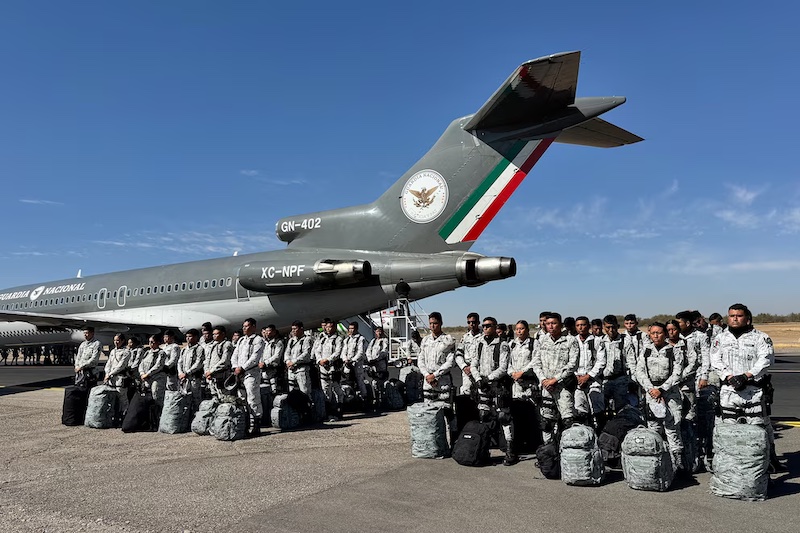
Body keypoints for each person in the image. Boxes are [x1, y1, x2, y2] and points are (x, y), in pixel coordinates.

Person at [710, 303, 783, 472]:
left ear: (747, 319)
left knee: (758, 430)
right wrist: (728, 376)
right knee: (728, 429)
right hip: (729, 391)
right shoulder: (720, 338)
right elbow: (715, 359)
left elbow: (766, 359)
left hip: (753, 391)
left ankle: (766, 466)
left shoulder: (760, 337)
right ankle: (731, 468)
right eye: (731, 316)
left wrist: (746, 375)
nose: (734, 319)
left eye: (739, 316)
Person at [636, 322, 684, 470]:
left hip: (670, 393)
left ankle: (678, 461)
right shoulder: (645, 351)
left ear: (665, 334)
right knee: (654, 427)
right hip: (652, 393)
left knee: (672, 427)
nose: (656, 336)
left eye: (659, 333)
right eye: (653, 333)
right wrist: (651, 389)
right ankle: (655, 461)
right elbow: (640, 371)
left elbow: (677, 373)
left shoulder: (674, 351)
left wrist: (662, 389)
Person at [471, 317, 515, 465]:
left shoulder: (502, 345)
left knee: (504, 417)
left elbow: (503, 367)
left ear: (495, 327)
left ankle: (509, 450)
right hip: (483, 386)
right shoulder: (479, 344)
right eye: (483, 326)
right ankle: (484, 448)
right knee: (484, 416)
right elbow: (474, 364)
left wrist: (488, 378)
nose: (485, 328)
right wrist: (478, 379)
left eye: (488, 326)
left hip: (498, 385)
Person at [532, 312, 579, 444]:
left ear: (560, 324)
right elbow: (536, 362)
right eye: (548, 324)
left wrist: (555, 379)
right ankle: (548, 449)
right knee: (546, 422)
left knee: (568, 421)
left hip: (563, 386)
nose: (551, 326)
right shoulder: (541, 340)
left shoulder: (570, 340)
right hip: (546, 387)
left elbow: (572, 364)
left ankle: (567, 449)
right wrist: (543, 380)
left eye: (554, 323)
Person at [231, 318, 265, 435]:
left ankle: (256, 424)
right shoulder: (241, 340)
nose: (244, 328)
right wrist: (235, 366)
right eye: (243, 326)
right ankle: (245, 424)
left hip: (251, 373)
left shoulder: (258, 340)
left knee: (253, 399)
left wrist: (243, 368)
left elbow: (255, 357)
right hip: (239, 374)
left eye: (247, 326)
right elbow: (235, 354)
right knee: (242, 399)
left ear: (254, 327)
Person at [573, 316, 607, 431]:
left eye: (583, 325)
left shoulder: (597, 341)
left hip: (593, 380)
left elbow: (601, 361)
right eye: (578, 325)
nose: (580, 328)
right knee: (580, 411)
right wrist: (577, 376)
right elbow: (569, 361)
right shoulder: (572, 341)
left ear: (588, 326)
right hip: (577, 381)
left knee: (597, 411)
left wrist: (588, 376)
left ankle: (600, 434)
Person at [418, 312, 456, 408]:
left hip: (442, 381)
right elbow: (421, 359)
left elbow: (450, 362)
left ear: (441, 323)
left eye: (435, 323)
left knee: (445, 409)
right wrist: (427, 375)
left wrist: (435, 375)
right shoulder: (425, 340)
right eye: (430, 323)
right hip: (428, 381)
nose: (432, 326)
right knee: (429, 411)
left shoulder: (447, 340)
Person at [601, 315, 635, 414]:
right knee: (601, 408)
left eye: (613, 327)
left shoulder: (625, 341)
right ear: (603, 327)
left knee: (621, 408)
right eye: (608, 327)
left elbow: (631, 362)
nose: (611, 330)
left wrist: (632, 380)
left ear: (618, 326)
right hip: (604, 380)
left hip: (620, 380)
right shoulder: (600, 341)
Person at [313, 318, 344, 421]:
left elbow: (337, 352)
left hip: (333, 368)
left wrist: (328, 360)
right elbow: (317, 350)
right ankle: (329, 412)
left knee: (336, 389)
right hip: (323, 368)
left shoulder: (338, 339)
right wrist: (319, 360)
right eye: (327, 327)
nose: (328, 329)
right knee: (326, 391)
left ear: (334, 327)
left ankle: (338, 411)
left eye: (330, 327)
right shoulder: (322, 339)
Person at [507, 320, 538, 401]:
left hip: (529, 382)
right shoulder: (512, 344)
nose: (519, 331)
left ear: (527, 330)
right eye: (517, 329)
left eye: (522, 329)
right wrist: (512, 373)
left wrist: (522, 372)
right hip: (516, 384)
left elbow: (535, 360)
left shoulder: (534, 343)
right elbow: (508, 361)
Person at [178, 328, 205, 413]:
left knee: (196, 399)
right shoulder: (184, 349)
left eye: (190, 336)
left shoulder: (199, 349)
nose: (188, 338)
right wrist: (180, 372)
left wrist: (187, 372)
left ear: (196, 337)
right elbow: (180, 362)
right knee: (185, 398)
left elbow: (198, 363)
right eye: (187, 336)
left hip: (194, 379)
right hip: (184, 378)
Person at [454, 312, 481, 395]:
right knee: (466, 394)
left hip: (479, 370)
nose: (471, 324)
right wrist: (464, 367)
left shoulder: (483, 337)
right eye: (469, 322)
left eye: (474, 322)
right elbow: (458, 354)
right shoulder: (465, 337)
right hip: (467, 371)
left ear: (478, 323)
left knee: (481, 394)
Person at [104, 333, 131, 413]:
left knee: (122, 397)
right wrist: (107, 373)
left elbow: (121, 365)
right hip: (111, 378)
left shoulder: (126, 352)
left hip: (120, 377)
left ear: (122, 341)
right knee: (112, 397)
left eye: (118, 340)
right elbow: (109, 363)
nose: (116, 342)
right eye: (115, 340)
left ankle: (124, 413)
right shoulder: (113, 351)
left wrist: (110, 374)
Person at [139, 334, 168, 409]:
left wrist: (147, 374)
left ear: (158, 342)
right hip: (147, 379)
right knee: (147, 397)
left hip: (157, 378)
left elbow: (158, 365)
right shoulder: (147, 352)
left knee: (156, 396)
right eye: (149, 342)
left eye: (152, 342)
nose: (150, 344)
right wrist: (142, 373)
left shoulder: (161, 353)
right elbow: (141, 364)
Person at [285, 321, 314, 395]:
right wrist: (288, 361)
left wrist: (294, 362)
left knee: (304, 392)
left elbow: (306, 353)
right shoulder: (291, 340)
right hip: (291, 370)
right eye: (292, 329)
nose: (293, 331)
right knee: (292, 393)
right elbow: (287, 353)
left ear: (301, 329)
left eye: (295, 329)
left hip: (302, 370)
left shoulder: (307, 339)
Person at [204, 326, 233, 399]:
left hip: (222, 376)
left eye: (216, 334)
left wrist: (211, 371)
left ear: (223, 334)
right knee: (214, 397)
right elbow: (207, 359)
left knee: (225, 398)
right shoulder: (213, 345)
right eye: (213, 334)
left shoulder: (227, 344)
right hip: (212, 377)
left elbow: (224, 361)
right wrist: (207, 371)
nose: (214, 336)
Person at [341, 322, 367, 401]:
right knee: (348, 381)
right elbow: (343, 351)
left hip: (357, 364)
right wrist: (345, 359)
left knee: (360, 382)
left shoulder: (360, 339)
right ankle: (350, 397)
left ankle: (364, 398)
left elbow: (360, 352)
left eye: (352, 328)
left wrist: (352, 360)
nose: (351, 330)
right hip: (347, 364)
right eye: (350, 328)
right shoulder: (347, 340)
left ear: (356, 329)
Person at [366, 326, 390, 411]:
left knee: (382, 383)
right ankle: (376, 401)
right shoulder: (373, 341)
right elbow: (368, 351)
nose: (379, 333)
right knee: (374, 383)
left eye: (380, 331)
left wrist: (377, 359)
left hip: (381, 365)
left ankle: (383, 401)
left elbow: (384, 351)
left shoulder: (384, 341)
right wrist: (370, 359)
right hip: (373, 366)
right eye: (377, 331)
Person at [259, 324, 284, 394]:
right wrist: (261, 363)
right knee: (265, 389)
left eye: (269, 331)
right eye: (266, 331)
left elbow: (277, 356)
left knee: (274, 390)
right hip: (264, 369)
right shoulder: (265, 343)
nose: (267, 333)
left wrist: (265, 362)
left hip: (273, 369)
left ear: (274, 332)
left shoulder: (278, 342)